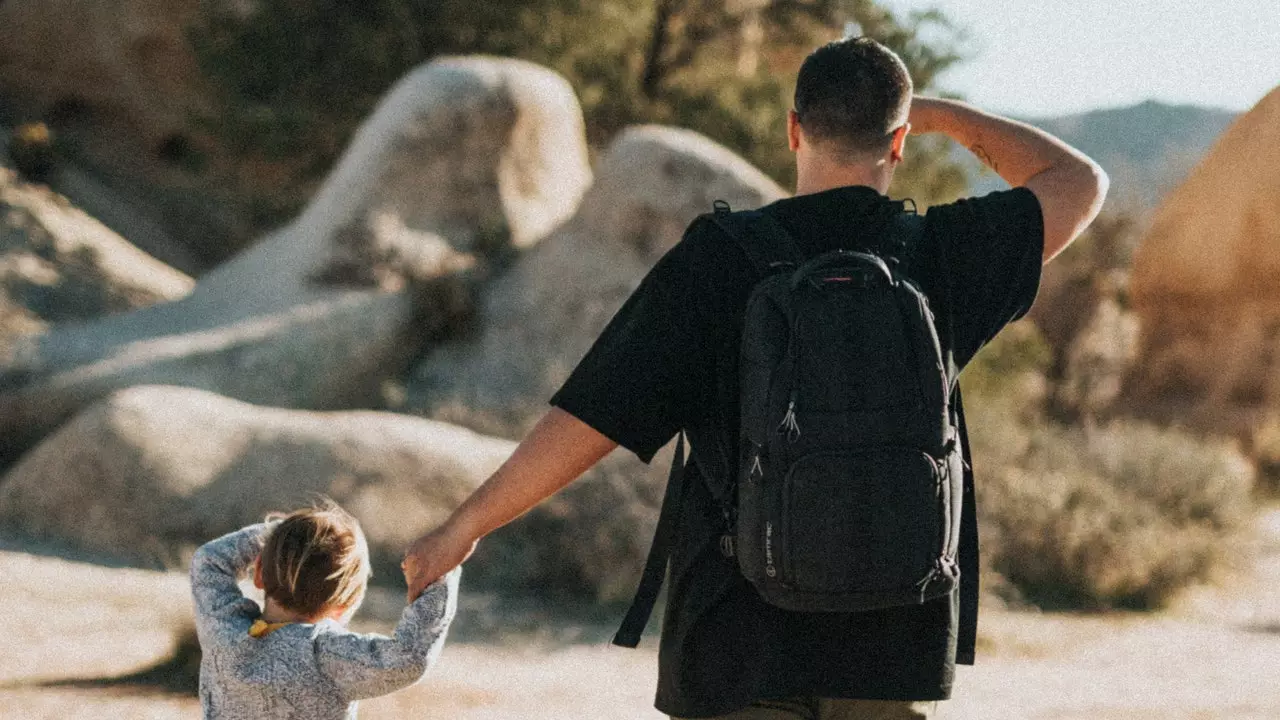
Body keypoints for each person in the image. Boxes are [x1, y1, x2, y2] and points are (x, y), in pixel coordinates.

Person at [403, 36, 1107, 720]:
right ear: (897, 143)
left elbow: (594, 416)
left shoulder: (719, 259)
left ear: (793, 129)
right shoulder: (942, 253)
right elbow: (1080, 183)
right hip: (896, 643)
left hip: (736, 643)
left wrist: (465, 527)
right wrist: (943, 117)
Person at [191, 500, 459, 719]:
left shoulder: (224, 631)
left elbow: (209, 561)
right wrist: (439, 578)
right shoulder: (326, 655)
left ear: (259, 573)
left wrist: (279, 533)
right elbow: (409, 658)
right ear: (343, 605)